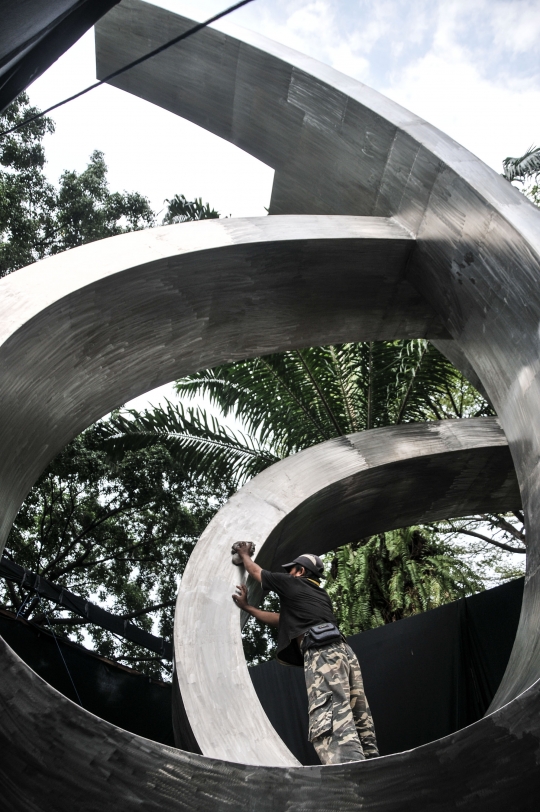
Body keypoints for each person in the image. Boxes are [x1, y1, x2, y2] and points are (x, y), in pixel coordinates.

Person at [232, 544, 379, 765]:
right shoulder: (318, 596)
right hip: (345, 653)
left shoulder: (292, 582)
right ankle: (373, 766)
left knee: (331, 714)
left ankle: (349, 772)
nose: (288, 573)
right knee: (358, 715)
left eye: (291, 569)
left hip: (323, 653)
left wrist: (243, 554)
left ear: (300, 571)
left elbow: (256, 573)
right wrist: (248, 608)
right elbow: (281, 619)